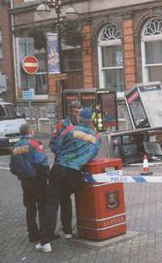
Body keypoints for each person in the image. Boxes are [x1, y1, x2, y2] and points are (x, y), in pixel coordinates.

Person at [36, 108, 101, 252]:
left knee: (52, 204)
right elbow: (93, 154)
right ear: (90, 121)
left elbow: (56, 145)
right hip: (75, 174)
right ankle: (67, 231)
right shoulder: (96, 138)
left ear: (80, 118)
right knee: (65, 200)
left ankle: (45, 241)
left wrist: (63, 155)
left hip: (60, 169)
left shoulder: (70, 130)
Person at [9, 123, 49, 243]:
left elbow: (12, 168)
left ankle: (33, 235)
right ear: (30, 132)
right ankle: (44, 234)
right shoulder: (34, 144)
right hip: (38, 181)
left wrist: (21, 175)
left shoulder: (15, 147)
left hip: (25, 182)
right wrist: (46, 175)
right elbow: (42, 162)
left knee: (30, 209)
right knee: (43, 208)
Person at [49, 100, 81, 239]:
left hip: (78, 168)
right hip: (63, 167)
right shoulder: (62, 125)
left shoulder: (84, 125)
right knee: (63, 199)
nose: (77, 115)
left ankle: (80, 226)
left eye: (79, 112)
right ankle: (67, 229)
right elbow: (52, 144)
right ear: (70, 112)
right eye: (75, 112)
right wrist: (64, 154)